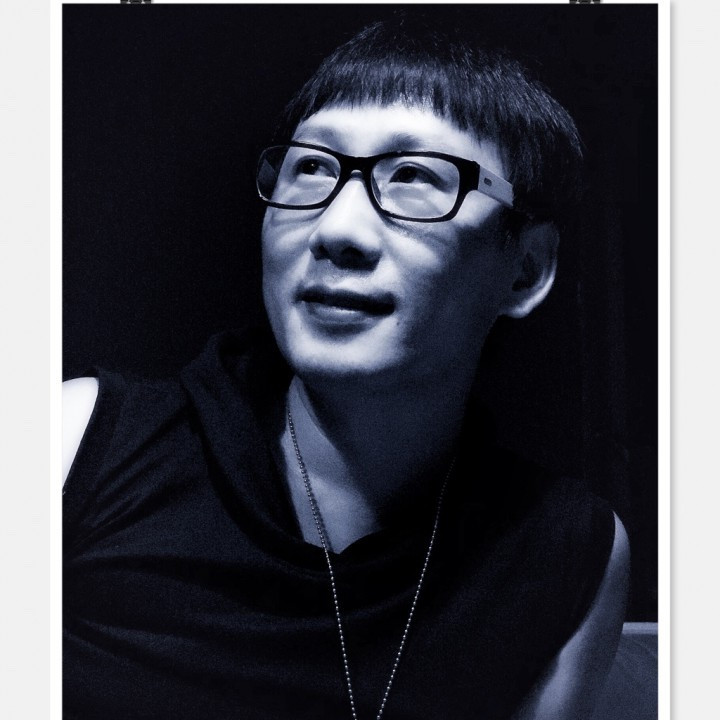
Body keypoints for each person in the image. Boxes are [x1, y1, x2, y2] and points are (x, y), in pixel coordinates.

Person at [63, 17, 629, 720]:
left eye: (415, 177)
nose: (337, 229)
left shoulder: (568, 553)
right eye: (310, 168)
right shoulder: (77, 445)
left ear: (526, 270)